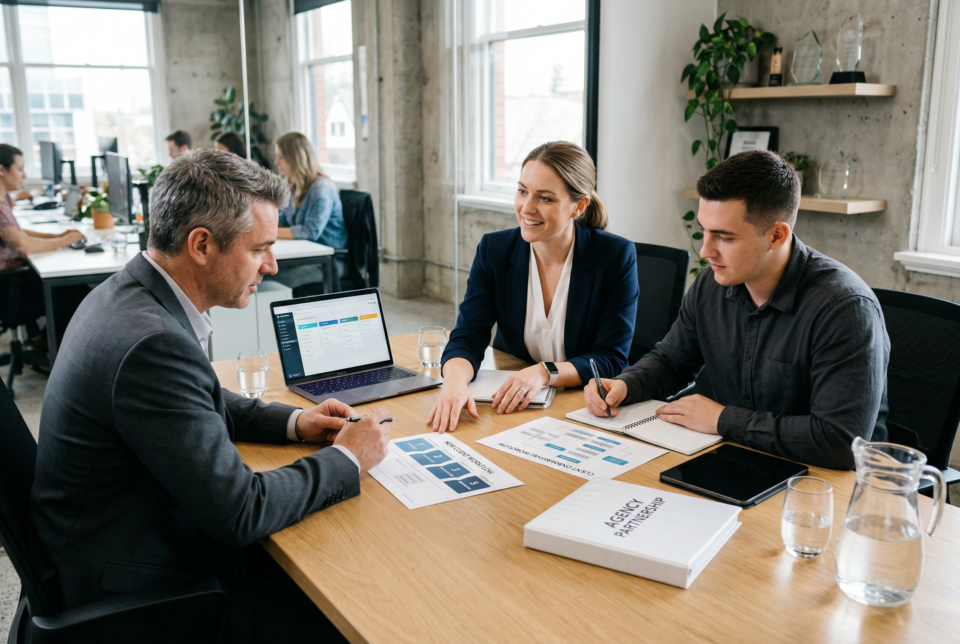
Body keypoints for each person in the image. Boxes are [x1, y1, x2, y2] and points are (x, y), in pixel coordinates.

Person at [30, 149, 392, 642]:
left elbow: (194, 398)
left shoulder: (131, 295)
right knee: (349, 613)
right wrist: (347, 460)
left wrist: (293, 422)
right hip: (133, 587)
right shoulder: (152, 344)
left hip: (101, 541)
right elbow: (241, 513)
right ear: (201, 244)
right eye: (259, 247)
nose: (271, 264)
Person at [584, 150, 889, 470]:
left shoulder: (845, 310)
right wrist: (626, 384)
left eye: (724, 237)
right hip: (740, 460)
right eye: (704, 230)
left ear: (776, 235)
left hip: (824, 485)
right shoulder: (711, 285)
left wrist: (723, 419)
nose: (705, 251)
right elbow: (671, 362)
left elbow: (839, 442)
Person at [429, 141, 639, 433]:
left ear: (579, 206)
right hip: (513, 404)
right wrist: (453, 383)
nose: (526, 208)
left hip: (581, 406)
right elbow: (469, 335)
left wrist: (544, 372)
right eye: (522, 191)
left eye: (545, 198)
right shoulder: (495, 249)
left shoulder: (614, 256)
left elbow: (610, 357)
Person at [0, 144, 85, 348]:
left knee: (72, 288)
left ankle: (42, 343)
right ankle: (53, 353)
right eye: (19, 169)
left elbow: (18, 233)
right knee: (76, 293)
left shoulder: (4, 199)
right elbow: (22, 245)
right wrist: (64, 241)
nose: (24, 174)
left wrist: (59, 235)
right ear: (1, 169)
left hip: (11, 282)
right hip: (9, 291)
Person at [271, 131, 348, 294]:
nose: (276, 162)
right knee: (263, 272)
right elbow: (282, 220)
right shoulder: (294, 186)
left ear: (295, 158)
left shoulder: (321, 188)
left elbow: (309, 232)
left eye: (281, 156)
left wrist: (271, 233)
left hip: (328, 264)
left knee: (271, 280)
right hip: (304, 258)